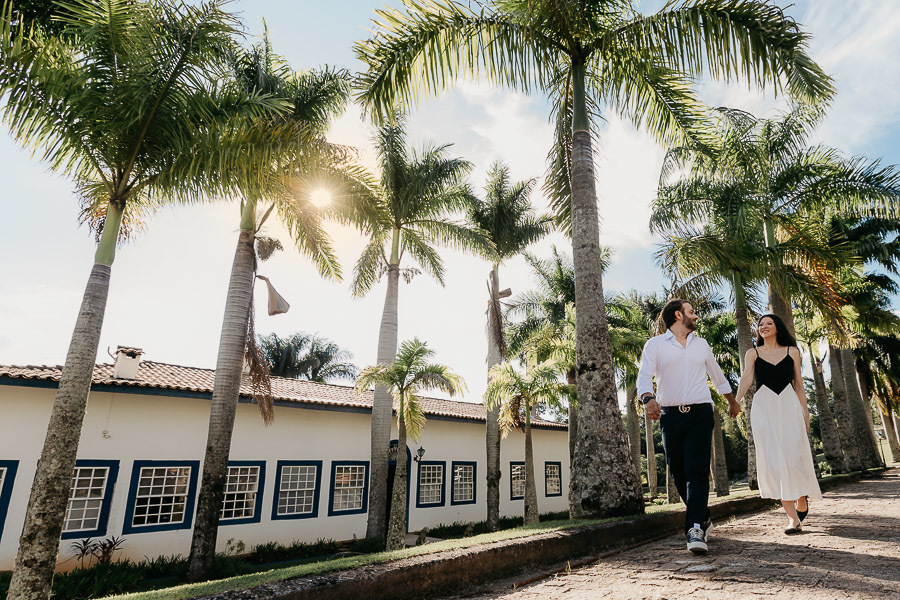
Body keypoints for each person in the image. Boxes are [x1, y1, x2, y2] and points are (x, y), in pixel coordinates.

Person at [638, 299, 742, 554]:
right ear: (678, 315)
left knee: (697, 469)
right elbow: (644, 375)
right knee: (678, 472)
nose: (695, 316)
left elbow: (717, 375)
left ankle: (694, 527)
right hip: (670, 415)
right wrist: (648, 399)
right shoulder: (655, 345)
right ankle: (702, 515)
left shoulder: (701, 344)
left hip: (700, 413)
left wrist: (732, 401)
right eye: (691, 312)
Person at [735, 314, 822, 534]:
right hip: (764, 408)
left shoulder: (792, 352)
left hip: (789, 405)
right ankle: (792, 519)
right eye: (760, 324)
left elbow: (798, 384)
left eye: (769, 323)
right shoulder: (753, 353)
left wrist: (805, 413)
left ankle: (801, 498)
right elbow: (746, 378)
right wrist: (736, 401)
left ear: (777, 328)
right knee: (774, 461)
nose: (763, 327)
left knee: (793, 458)